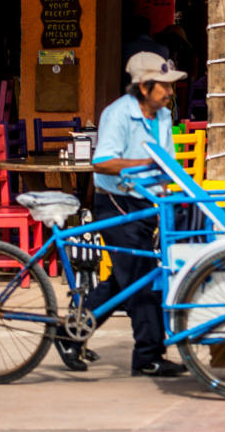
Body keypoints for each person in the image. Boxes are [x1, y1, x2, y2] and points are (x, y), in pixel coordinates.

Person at [75, 53, 189, 377]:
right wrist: (144, 165)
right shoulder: (118, 114)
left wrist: (174, 192)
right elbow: (103, 162)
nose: (169, 92)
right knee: (140, 280)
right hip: (116, 202)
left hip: (146, 201)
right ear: (144, 86)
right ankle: (148, 356)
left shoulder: (163, 116)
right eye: (163, 86)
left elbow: (165, 163)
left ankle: (69, 333)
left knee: (122, 280)